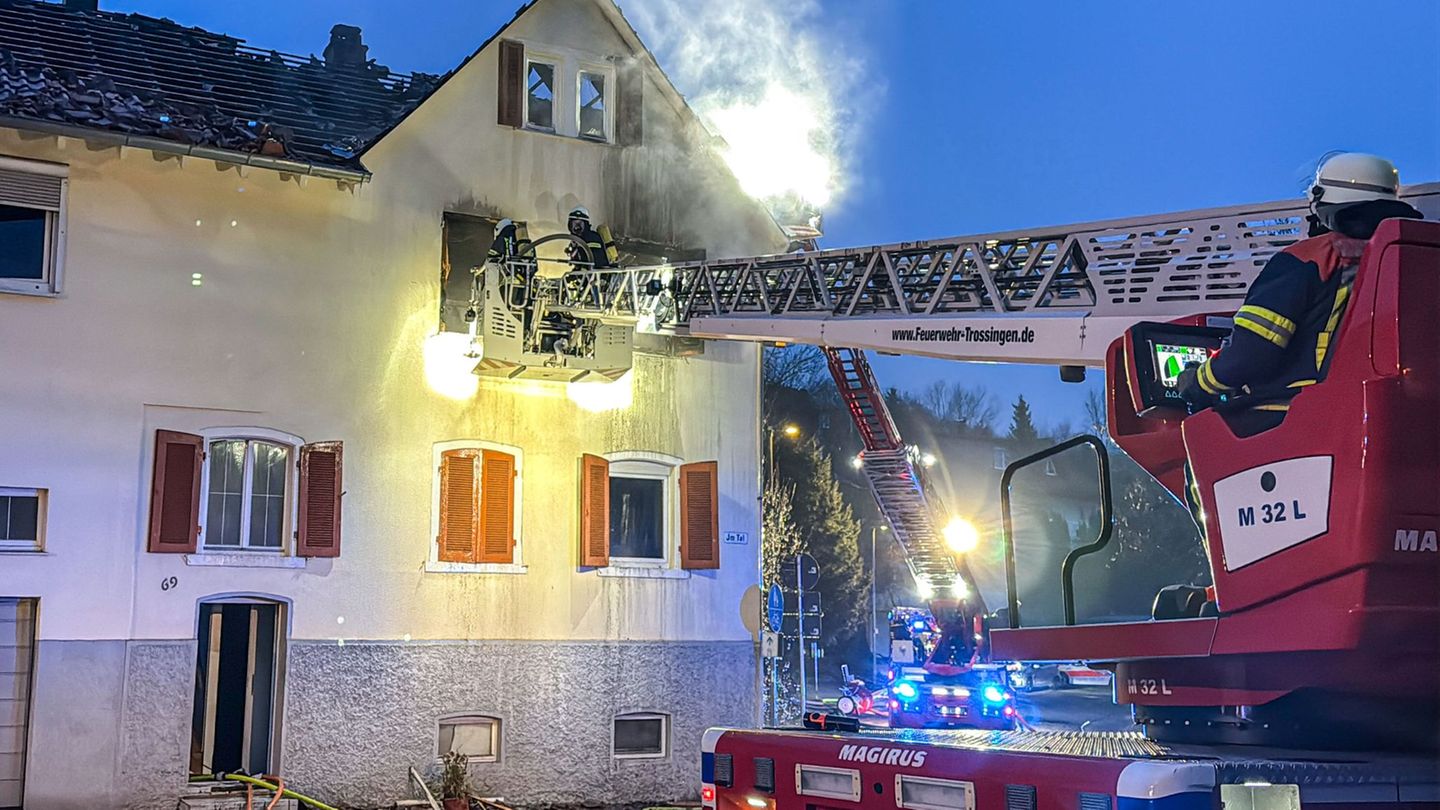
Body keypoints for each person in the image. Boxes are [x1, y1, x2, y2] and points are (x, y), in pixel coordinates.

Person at [1177, 153, 1423, 434]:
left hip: (1296, 418)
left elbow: (1251, 354)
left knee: (1204, 437)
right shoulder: (1412, 256)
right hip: (1392, 417)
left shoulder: (1307, 260)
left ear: (1321, 199)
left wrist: (1197, 382)